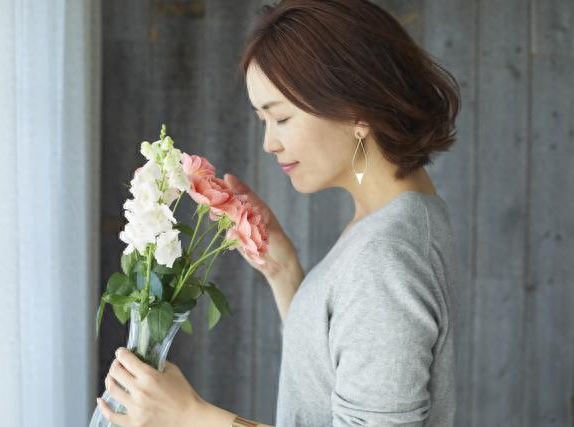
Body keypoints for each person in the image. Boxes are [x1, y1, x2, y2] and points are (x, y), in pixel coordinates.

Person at [97, 0, 461, 426]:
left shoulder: (385, 256)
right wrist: (283, 270)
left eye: (281, 118)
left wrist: (191, 416)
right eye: (263, 120)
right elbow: (327, 373)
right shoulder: (394, 218)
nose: (269, 143)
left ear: (357, 109)